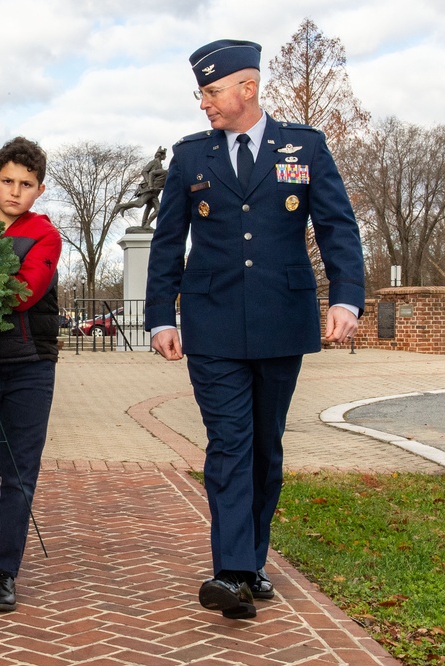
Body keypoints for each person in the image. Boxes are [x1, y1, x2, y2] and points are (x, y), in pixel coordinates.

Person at [144, 40, 364, 620]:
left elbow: (338, 226)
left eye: (212, 92)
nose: (204, 105)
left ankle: (253, 563)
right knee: (230, 445)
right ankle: (232, 573)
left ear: (248, 88)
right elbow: (168, 241)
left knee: (264, 447)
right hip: (211, 323)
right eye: (201, 93)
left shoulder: (304, 147)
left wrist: (346, 297)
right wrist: (162, 315)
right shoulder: (191, 157)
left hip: (280, 320)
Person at [0, 137, 62, 612]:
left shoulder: (44, 235)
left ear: (39, 190)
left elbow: (23, 291)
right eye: (7, 181)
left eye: (26, 184)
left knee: (18, 475)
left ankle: (4, 571)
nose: (15, 191)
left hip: (30, 367)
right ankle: (2, 531)